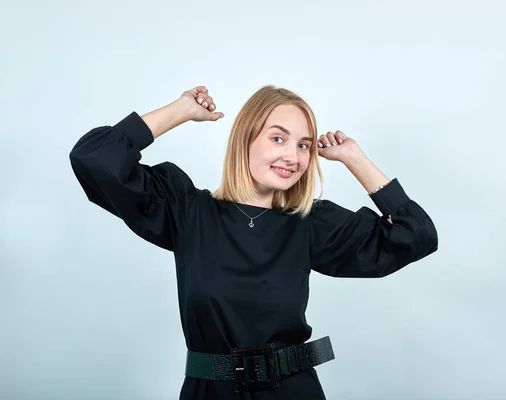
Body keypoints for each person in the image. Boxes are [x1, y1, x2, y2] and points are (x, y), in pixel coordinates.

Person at [69, 84, 438, 399]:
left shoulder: (311, 223)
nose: (292, 157)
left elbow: (416, 234)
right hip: (210, 392)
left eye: (304, 145)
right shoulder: (187, 211)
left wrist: (354, 158)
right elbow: (95, 156)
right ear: (246, 138)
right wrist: (181, 110)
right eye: (278, 138)